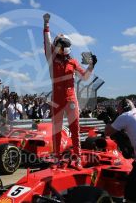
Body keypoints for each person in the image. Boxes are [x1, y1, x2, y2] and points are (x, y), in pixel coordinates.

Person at [43, 13, 97, 170]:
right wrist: (46, 24)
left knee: (75, 129)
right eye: (57, 44)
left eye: (60, 44)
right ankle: (57, 158)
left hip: (71, 99)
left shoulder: (73, 62)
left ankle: (78, 158)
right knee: (56, 131)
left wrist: (92, 65)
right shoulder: (51, 58)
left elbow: (85, 77)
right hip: (57, 99)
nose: (57, 47)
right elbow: (46, 43)